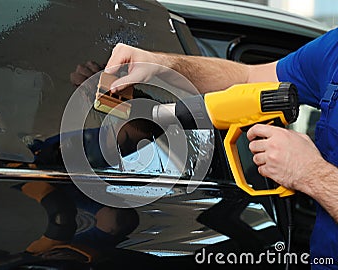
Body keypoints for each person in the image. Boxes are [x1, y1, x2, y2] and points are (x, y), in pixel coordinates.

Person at [104, 28, 338, 267]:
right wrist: (161, 65)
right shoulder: (333, 50)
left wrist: (309, 172)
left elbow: (310, 172)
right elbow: (248, 78)